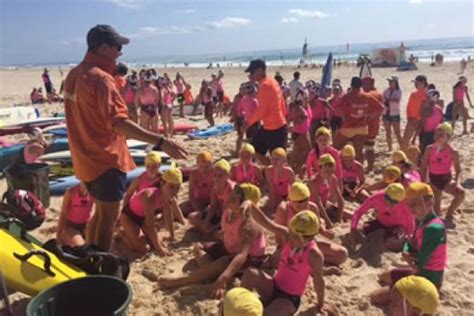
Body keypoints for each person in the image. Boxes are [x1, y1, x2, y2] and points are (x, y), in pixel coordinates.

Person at [64, 24, 187, 251]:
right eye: (117, 46)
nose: (121, 51)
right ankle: (99, 268)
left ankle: (89, 257)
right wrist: (161, 141)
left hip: (84, 159)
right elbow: (119, 122)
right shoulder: (101, 80)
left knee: (99, 214)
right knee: (108, 218)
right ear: (103, 48)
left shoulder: (74, 74)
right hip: (105, 159)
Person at [158, 184, 267, 299]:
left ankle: (183, 280)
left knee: (223, 262)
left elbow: (242, 255)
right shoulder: (229, 211)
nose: (228, 200)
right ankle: (209, 273)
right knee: (199, 246)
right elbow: (228, 232)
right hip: (231, 248)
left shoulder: (249, 225)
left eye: (233, 199)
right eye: (230, 196)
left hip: (249, 258)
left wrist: (223, 278)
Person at [370, 182, 447, 305]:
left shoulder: (434, 228)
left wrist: (408, 256)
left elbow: (420, 263)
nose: (411, 209)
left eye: (415, 204)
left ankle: (432, 291)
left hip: (428, 277)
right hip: (419, 271)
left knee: (376, 297)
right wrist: (407, 250)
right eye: (409, 204)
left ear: (430, 203)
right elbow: (409, 243)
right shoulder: (421, 220)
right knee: (384, 276)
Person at [242, 210, 331, 315]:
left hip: (289, 298)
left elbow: (318, 280)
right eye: (291, 233)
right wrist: (249, 204)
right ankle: (241, 302)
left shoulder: (314, 254)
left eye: (295, 236)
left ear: (310, 237)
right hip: (274, 286)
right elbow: (265, 222)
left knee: (267, 314)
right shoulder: (287, 236)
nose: (291, 238)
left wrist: (321, 304)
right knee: (250, 274)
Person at [274, 182, 348, 266]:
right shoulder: (283, 210)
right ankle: (309, 264)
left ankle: (308, 263)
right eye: (298, 205)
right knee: (279, 260)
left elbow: (317, 226)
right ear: (291, 201)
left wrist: (325, 232)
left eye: (305, 202)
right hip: (289, 247)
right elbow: (279, 238)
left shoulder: (312, 207)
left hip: (308, 245)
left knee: (342, 254)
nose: (303, 207)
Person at [119, 168, 186, 255]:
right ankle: (122, 233)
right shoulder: (149, 196)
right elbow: (151, 225)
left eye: (177, 188)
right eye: (171, 186)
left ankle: (135, 234)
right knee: (144, 249)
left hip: (142, 218)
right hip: (129, 217)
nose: (174, 191)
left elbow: (168, 216)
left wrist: (172, 236)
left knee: (157, 242)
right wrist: (160, 249)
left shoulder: (169, 197)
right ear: (162, 183)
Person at [421, 123, 464, 228]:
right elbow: (424, 166)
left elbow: (458, 171)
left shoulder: (453, 152)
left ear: (448, 137)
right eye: (436, 134)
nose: (437, 137)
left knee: (461, 194)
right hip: (433, 179)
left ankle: (449, 213)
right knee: (436, 212)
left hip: (446, 179)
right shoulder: (429, 148)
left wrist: (457, 183)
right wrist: (424, 181)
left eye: (441, 135)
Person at [245, 59, 288, 165]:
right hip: (272, 126)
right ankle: (271, 168)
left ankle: (275, 169)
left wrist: (248, 123)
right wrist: (284, 117)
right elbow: (282, 102)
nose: (251, 75)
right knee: (254, 151)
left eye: (252, 72)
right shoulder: (272, 81)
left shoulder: (265, 86)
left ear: (260, 70)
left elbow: (261, 111)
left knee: (279, 160)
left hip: (275, 129)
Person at [350, 183, 415, 252]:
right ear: (385, 194)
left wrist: (409, 235)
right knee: (359, 232)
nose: (390, 203)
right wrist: (353, 228)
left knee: (392, 242)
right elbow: (359, 211)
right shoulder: (377, 197)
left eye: (394, 202)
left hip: (397, 227)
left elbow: (410, 223)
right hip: (380, 223)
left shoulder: (406, 204)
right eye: (388, 199)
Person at [334, 77, 383, 164]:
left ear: (351, 85)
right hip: (362, 127)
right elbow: (380, 108)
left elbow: (338, 109)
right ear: (361, 85)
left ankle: (337, 168)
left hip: (348, 126)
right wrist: (369, 118)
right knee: (358, 152)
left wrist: (344, 117)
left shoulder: (347, 96)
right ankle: (359, 171)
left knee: (335, 148)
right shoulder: (367, 96)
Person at [188, 159, 235, 236]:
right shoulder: (214, 188)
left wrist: (213, 228)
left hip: (229, 218)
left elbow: (229, 214)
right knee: (191, 217)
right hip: (219, 214)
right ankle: (207, 230)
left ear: (228, 176)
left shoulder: (231, 190)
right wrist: (206, 222)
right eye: (215, 175)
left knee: (221, 234)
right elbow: (213, 207)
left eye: (220, 176)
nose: (217, 178)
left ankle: (209, 231)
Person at [308, 154, 345, 225]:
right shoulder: (313, 181)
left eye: (332, 171)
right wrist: (328, 222)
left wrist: (340, 219)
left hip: (325, 205)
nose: (329, 174)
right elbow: (318, 203)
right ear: (320, 168)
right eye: (327, 171)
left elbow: (340, 200)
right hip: (313, 208)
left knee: (349, 215)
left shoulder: (333, 178)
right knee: (321, 222)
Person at [361, 76, 384, 172]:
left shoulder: (368, 95)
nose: (362, 87)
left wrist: (367, 118)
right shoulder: (379, 94)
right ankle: (370, 167)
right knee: (369, 147)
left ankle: (366, 167)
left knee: (363, 148)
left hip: (367, 125)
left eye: (363, 84)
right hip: (375, 125)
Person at [289, 87, 312, 176]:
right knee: (309, 152)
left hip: (302, 132)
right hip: (300, 133)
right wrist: (302, 118)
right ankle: (298, 169)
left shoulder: (305, 106)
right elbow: (295, 121)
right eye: (306, 98)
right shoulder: (298, 108)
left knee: (297, 154)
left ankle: (295, 171)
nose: (307, 99)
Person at [264, 148, 295, 214]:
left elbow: (293, 188)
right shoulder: (269, 170)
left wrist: (288, 199)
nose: (274, 161)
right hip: (276, 195)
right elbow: (271, 189)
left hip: (287, 195)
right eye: (273, 159)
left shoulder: (289, 172)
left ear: (284, 160)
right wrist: (272, 208)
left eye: (277, 159)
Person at [183, 151, 214, 215]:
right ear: (197, 164)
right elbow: (191, 194)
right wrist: (197, 208)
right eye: (201, 167)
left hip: (211, 200)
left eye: (206, 167)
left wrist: (212, 204)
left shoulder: (214, 173)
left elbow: (217, 192)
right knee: (182, 208)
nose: (203, 170)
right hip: (198, 200)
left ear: (211, 165)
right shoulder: (194, 174)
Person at [402, 75, 428, 149]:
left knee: (422, 140)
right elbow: (408, 106)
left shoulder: (427, 95)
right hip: (411, 119)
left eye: (417, 83)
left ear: (423, 83)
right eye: (415, 83)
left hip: (421, 121)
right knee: (406, 139)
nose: (415, 85)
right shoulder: (413, 94)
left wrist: (420, 120)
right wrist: (408, 117)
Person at [382, 76, 403, 152]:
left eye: (391, 81)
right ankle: (389, 148)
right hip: (386, 113)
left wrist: (388, 100)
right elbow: (383, 99)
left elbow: (397, 100)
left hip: (394, 113)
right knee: (388, 132)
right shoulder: (386, 91)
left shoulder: (398, 91)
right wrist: (389, 100)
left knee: (397, 132)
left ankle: (402, 147)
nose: (390, 83)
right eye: (389, 81)